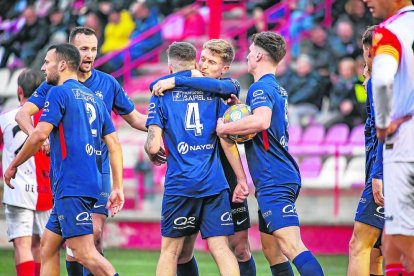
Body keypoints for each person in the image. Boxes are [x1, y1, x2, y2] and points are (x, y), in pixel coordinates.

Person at [14, 26, 162, 275]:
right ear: (71, 51)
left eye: (94, 49)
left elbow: (135, 118)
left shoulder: (107, 83)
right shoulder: (54, 84)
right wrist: (40, 138)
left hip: (98, 170)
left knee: (93, 233)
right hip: (65, 172)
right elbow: (22, 114)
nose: (90, 54)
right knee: (63, 243)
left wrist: (160, 128)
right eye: (84, 48)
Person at [4, 43, 124, 276]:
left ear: (61, 65)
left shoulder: (58, 92)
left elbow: (39, 134)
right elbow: (114, 144)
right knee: (48, 246)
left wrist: (13, 165)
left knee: (84, 252)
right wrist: (117, 186)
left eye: (47, 62)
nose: (43, 67)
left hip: (72, 185)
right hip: (85, 183)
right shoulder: (95, 99)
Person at [216, 31, 324, 276]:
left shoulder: (258, 88)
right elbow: (264, 124)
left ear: (258, 55)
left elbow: (262, 122)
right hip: (277, 175)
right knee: (272, 251)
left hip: (274, 177)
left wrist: (226, 128)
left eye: (250, 50)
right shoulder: (276, 88)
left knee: (291, 245)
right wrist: (239, 113)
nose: (246, 55)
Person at [151, 38, 256, 276]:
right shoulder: (191, 90)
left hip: (224, 176)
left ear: (224, 68)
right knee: (185, 249)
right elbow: (156, 87)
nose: (204, 65)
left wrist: (175, 79)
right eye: (203, 60)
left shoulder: (226, 91)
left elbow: (228, 88)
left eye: (212, 62)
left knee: (239, 246)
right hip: (199, 176)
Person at [363, 0, 414, 273]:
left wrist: (382, 124)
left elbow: (382, 81)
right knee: (392, 238)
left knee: (401, 235)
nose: (367, 1)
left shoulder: (390, 31)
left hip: (406, 142)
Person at [0, 69, 52, 276]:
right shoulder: (49, 117)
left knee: (22, 245)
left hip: (18, 189)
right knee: (40, 246)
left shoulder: (6, 118)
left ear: (19, 91)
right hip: (45, 189)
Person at [347, 25, 385, 276]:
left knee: (358, 245)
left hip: (385, 168)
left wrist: (378, 174)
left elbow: (384, 129)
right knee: (376, 249)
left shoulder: (377, 83)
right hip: (387, 165)